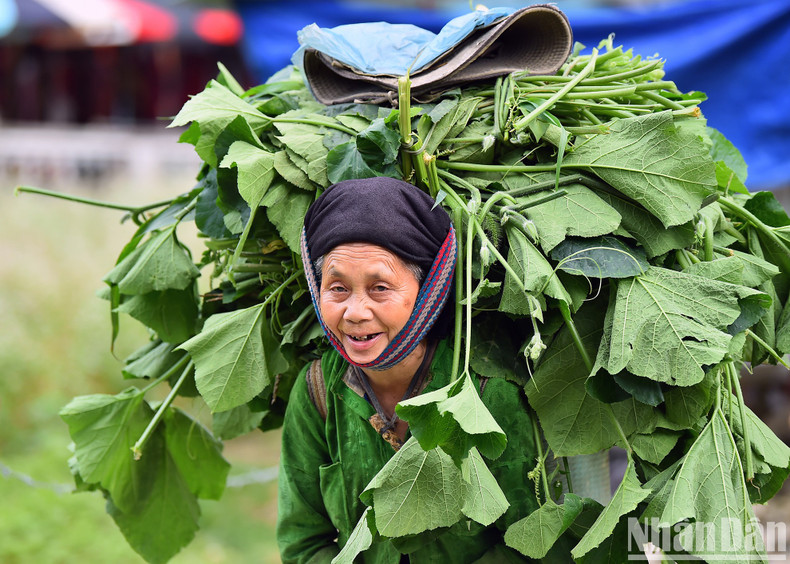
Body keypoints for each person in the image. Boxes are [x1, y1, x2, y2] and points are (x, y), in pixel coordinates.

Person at [277, 177, 539, 563]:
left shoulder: (488, 391)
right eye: (337, 288)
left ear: (429, 287)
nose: (355, 312)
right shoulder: (317, 391)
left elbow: (529, 544)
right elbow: (301, 544)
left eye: (380, 287)